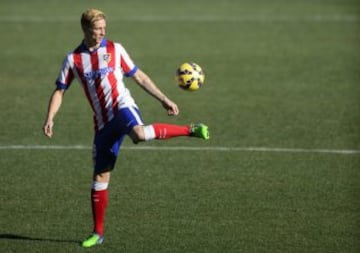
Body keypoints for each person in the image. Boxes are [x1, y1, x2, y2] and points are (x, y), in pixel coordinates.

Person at [42, 8, 209, 248]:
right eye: (97, 28)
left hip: (123, 107)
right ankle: (97, 233)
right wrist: (50, 117)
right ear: (85, 29)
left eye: (103, 27)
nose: (102, 32)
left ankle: (189, 129)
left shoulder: (115, 49)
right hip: (102, 123)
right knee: (100, 177)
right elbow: (60, 90)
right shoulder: (73, 60)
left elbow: (138, 76)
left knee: (139, 134)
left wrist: (163, 99)